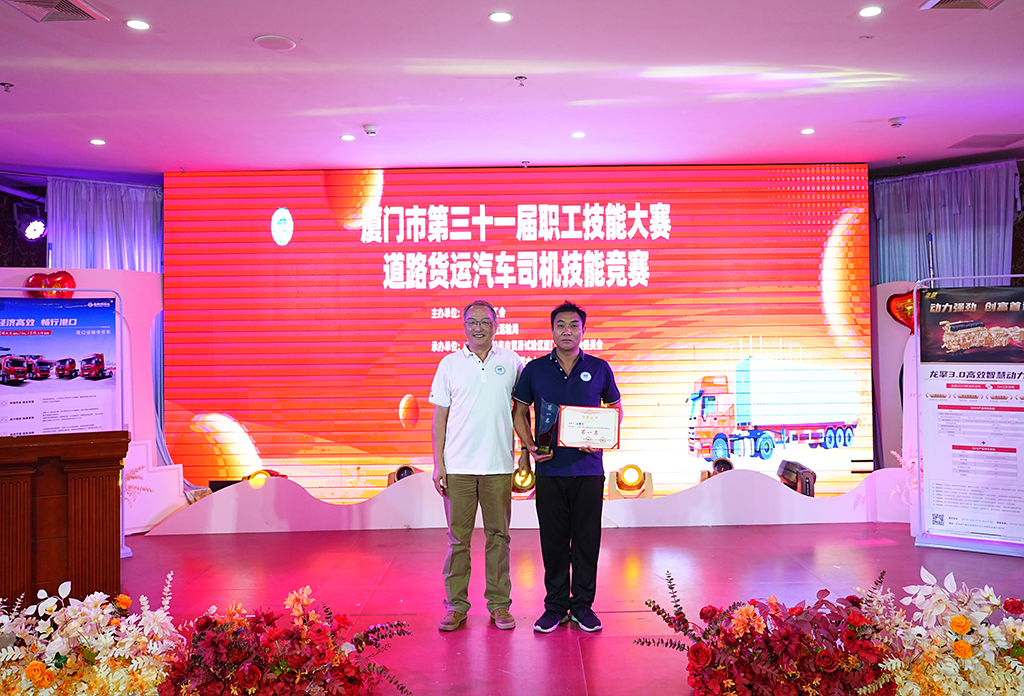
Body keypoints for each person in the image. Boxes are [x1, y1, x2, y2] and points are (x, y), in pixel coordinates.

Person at [512, 300, 622, 633]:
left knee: (587, 540)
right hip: (550, 469)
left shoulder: (599, 368)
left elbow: (615, 408)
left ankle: (583, 606)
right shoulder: (535, 369)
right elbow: (519, 412)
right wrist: (529, 446)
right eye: (560, 325)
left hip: (589, 470)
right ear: (552, 330)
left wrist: (602, 439)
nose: (567, 331)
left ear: (583, 330)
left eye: (574, 325)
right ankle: (556, 607)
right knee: (554, 541)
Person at [428, 300, 527, 632]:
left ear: (496, 325)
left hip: (499, 465)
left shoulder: (511, 361)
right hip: (458, 467)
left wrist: (525, 452)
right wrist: (438, 463)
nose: (478, 327)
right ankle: (456, 606)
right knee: (458, 540)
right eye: (472, 321)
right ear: (464, 325)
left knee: (499, 537)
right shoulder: (449, 364)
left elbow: (521, 411)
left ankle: (499, 605)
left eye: (485, 322)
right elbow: (440, 416)